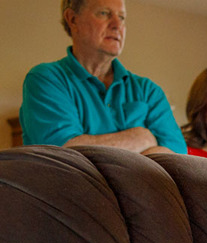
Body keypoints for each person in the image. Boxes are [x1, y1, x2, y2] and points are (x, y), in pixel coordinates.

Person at [19, 0, 186, 155]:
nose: (117, 25)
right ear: (72, 19)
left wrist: (89, 145)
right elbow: (65, 156)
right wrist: (141, 139)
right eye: (104, 13)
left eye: (122, 17)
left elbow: (178, 161)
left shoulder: (149, 91)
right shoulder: (46, 79)